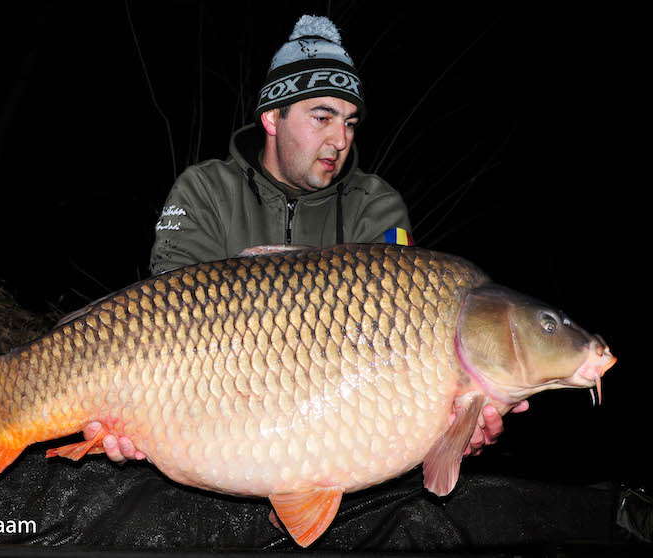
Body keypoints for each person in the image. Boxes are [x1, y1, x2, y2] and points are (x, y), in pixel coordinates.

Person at [86, 14, 528, 470]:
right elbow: (163, 320)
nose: (340, 139)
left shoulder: (374, 205)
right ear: (272, 118)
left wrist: (453, 426)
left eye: (350, 122)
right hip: (206, 409)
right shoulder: (205, 190)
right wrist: (134, 415)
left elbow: (397, 356)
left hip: (325, 431)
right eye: (323, 117)